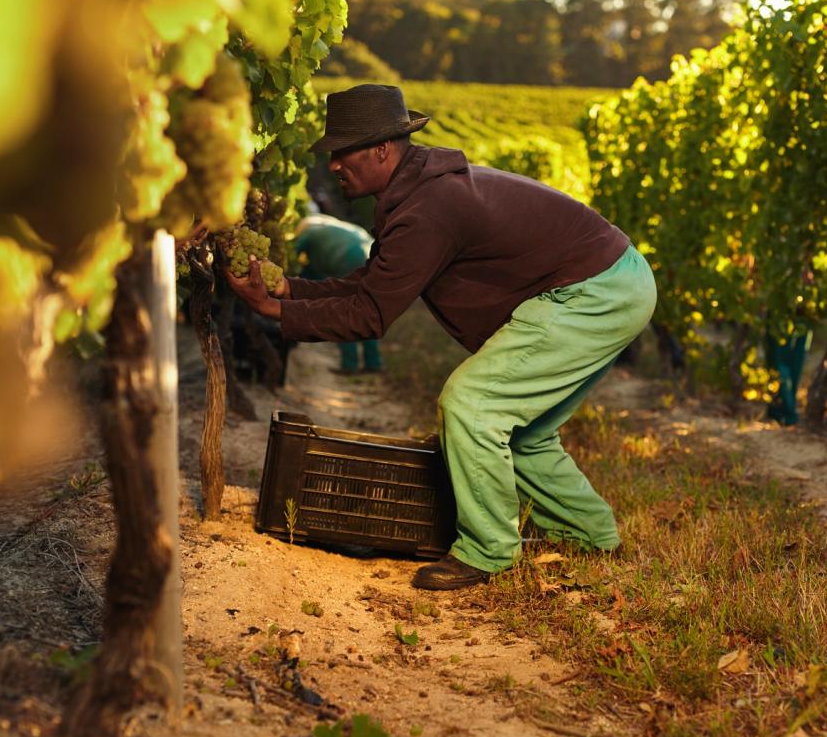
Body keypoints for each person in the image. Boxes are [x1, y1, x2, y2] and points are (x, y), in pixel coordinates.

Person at [226, 84, 657, 590]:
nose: (335, 164)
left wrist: (273, 310)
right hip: (615, 281)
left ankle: (489, 552)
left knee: (471, 404)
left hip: (593, 291)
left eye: (343, 152)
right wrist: (289, 290)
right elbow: (373, 282)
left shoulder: (427, 207)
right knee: (527, 432)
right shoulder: (415, 193)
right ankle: (590, 535)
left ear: (381, 149)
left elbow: (370, 315)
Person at [293, 213, 383, 374]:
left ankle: (350, 365)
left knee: (344, 314)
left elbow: (293, 257)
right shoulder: (336, 229)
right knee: (367, 311)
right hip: (372, 255)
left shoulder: (309, 234)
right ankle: (373, 363)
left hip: (350, 259)